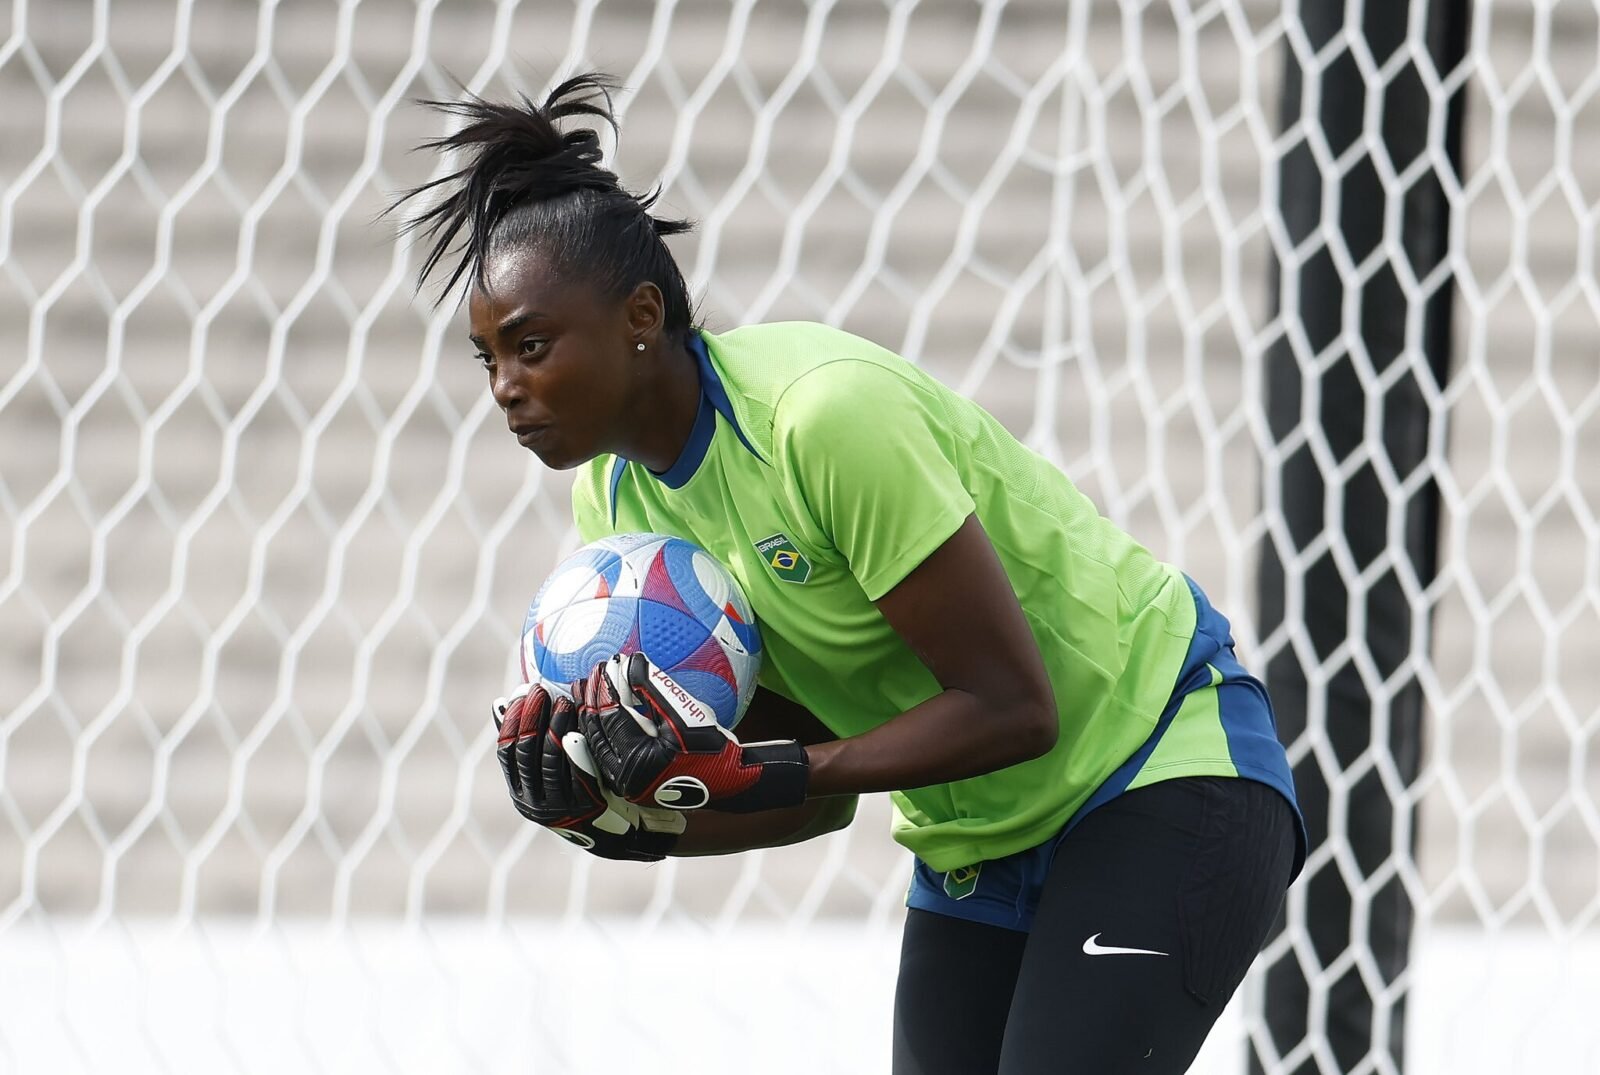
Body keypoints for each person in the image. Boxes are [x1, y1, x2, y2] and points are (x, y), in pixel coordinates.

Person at [389, 73, 1305, 1075]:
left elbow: (1011, 708)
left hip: (1161, 769)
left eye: (530, 346)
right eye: (488, 362)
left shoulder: (820, 419)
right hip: (977, 837)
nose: (507, 391)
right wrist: (621, 817)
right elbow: (809, 786)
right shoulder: (618, 514)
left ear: (641, 316)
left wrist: (762, 767)